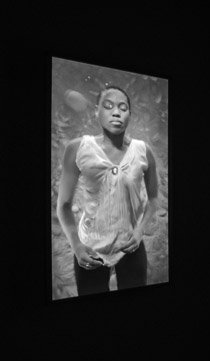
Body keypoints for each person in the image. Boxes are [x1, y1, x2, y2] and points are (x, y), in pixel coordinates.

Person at [56, 85, 159, 296]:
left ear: (130, 114)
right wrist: (76, 246)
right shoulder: (77, 148)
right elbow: (64, 206)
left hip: (131, 247)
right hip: (90, 248)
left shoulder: (143, 151)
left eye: (123, 107)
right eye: (109, 106)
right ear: (96, 111)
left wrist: (139, 232)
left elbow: (154, 199)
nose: (116, 112)